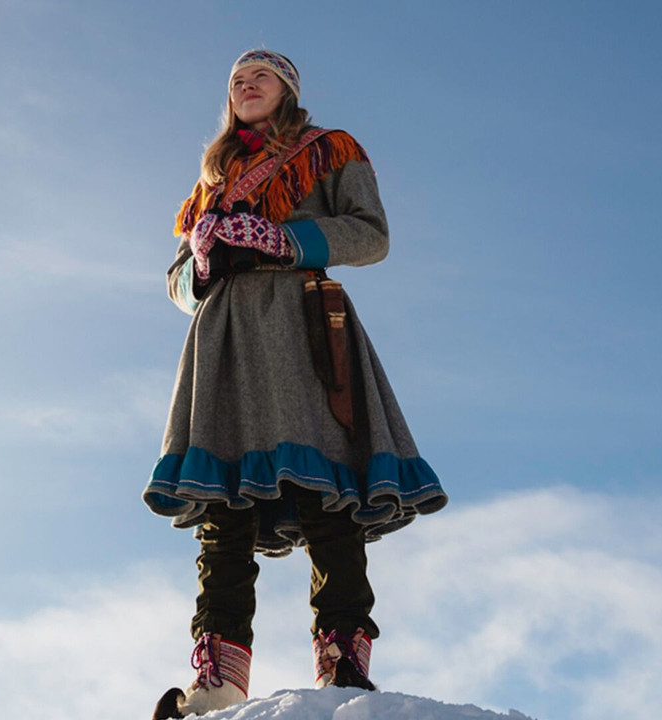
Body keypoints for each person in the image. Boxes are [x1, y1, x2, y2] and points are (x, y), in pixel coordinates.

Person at [143, 49, 449, 719]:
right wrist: (198, 263)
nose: (245, 85)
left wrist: (281, 239)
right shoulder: (208, 186)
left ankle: (342, 659)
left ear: (287, 90)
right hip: (223, 345)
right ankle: (217, 676)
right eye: (235, 80)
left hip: (301, 329)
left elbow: (371, 236)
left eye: (260, 77)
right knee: (222, 510)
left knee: (326, 495)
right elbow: (175, 284)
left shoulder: (328, 150)